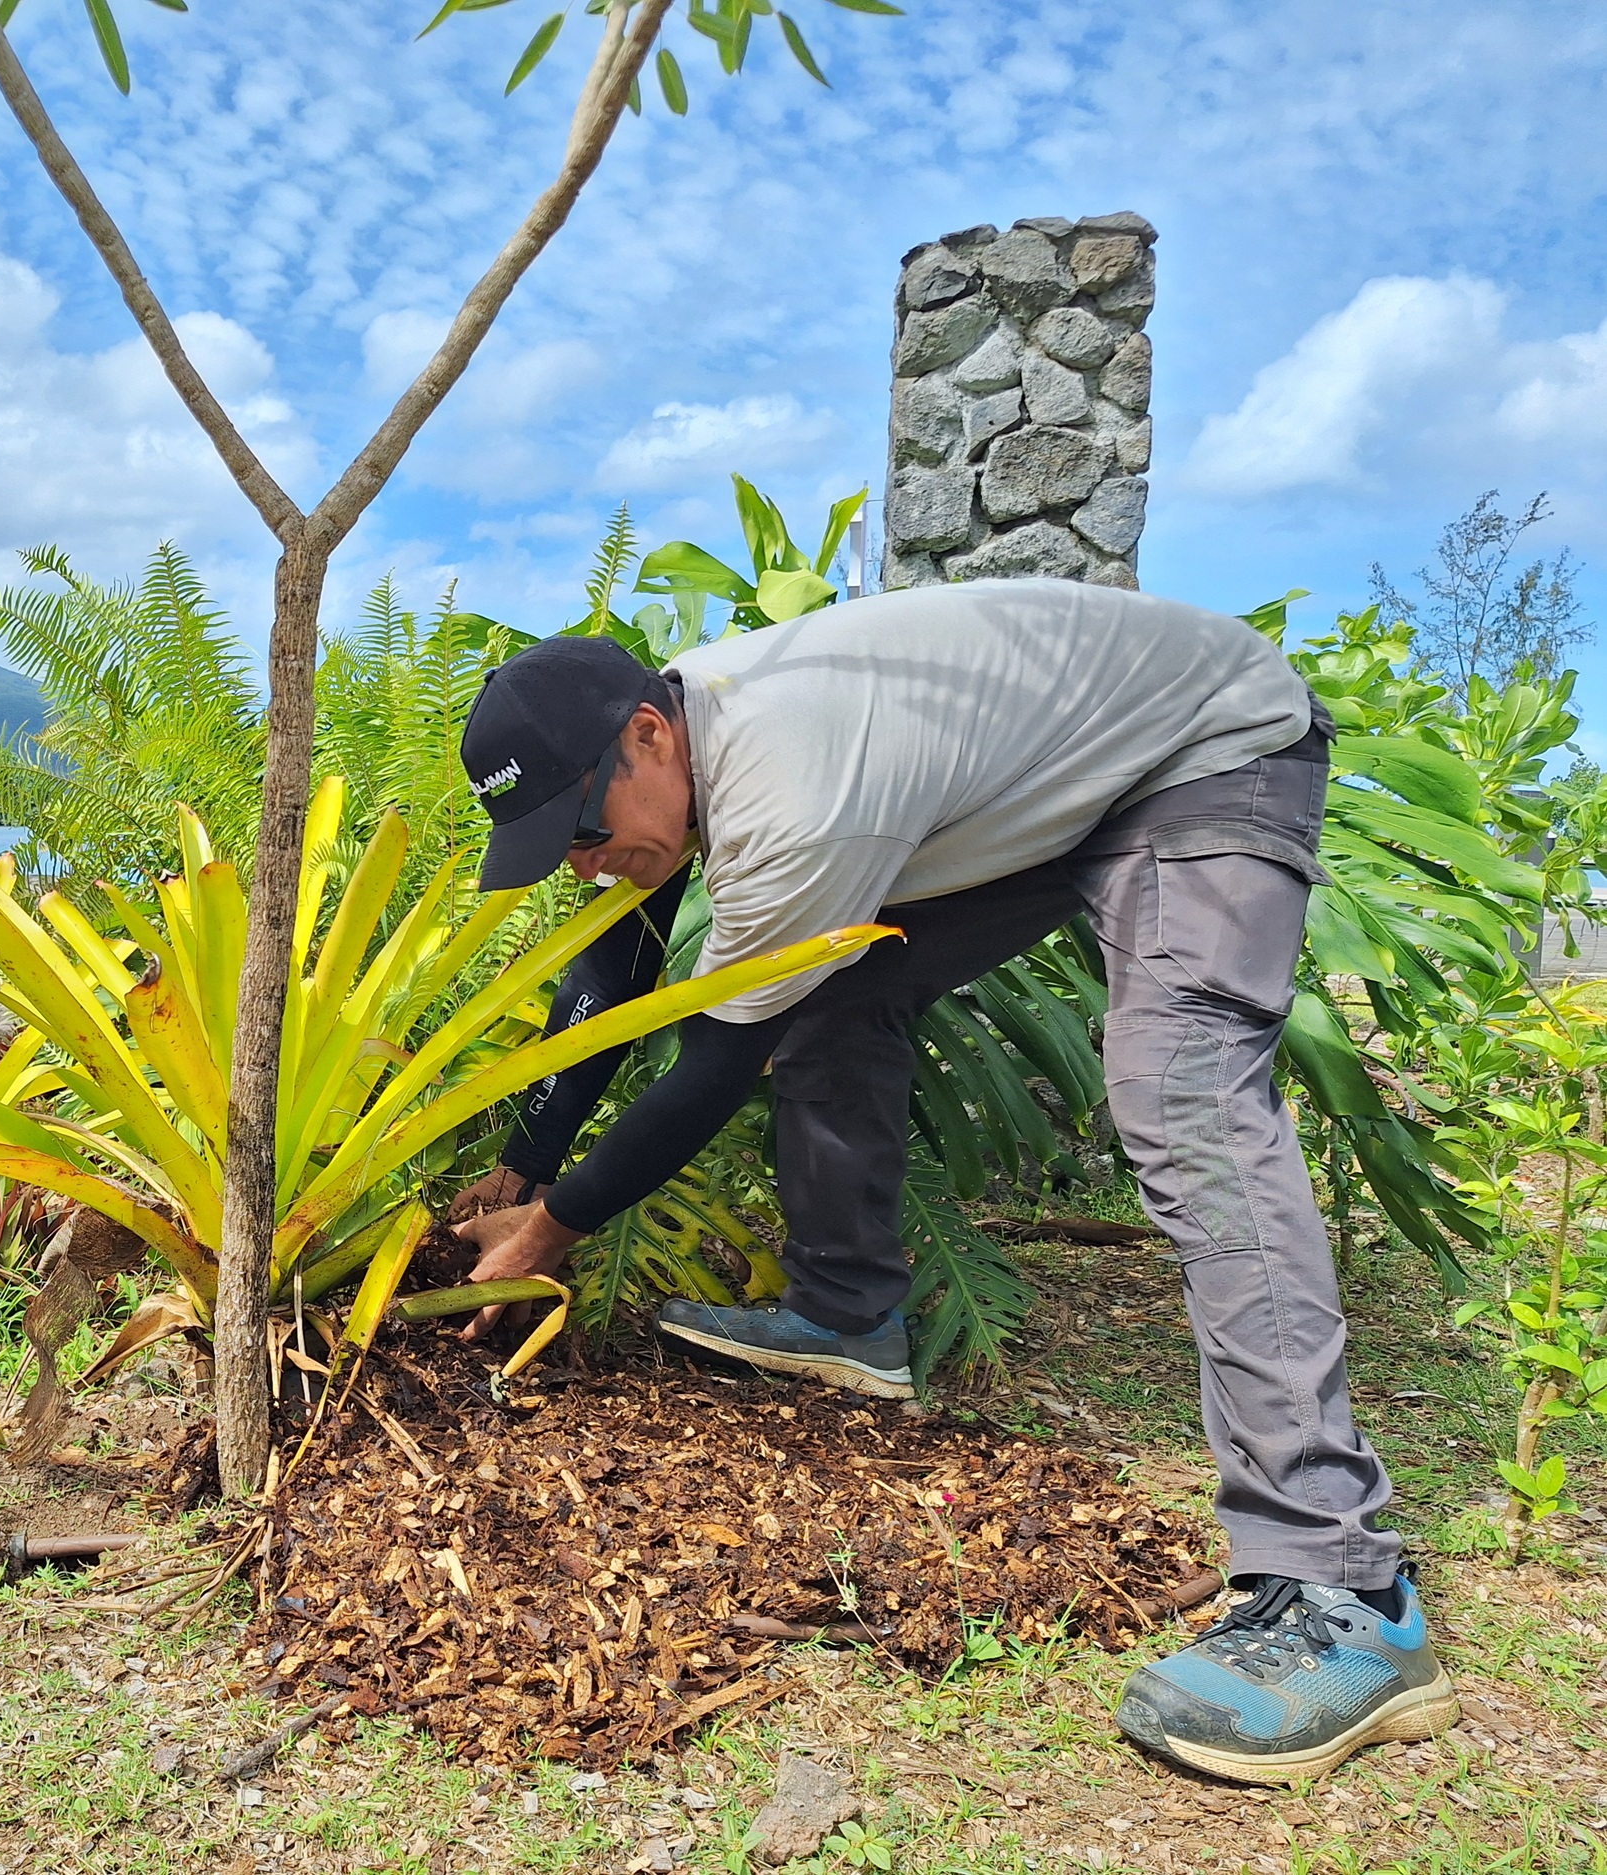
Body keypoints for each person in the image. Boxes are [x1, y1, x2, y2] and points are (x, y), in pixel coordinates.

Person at [447, 578, 1457, 1785]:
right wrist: (525, 1160)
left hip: (1203, 751)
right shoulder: (681, 750)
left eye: (579, 828)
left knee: (1182, 1096)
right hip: (1062, 778)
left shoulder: (792, 788)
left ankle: (1346, 1586)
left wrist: (548, 1230)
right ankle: (846, 1315)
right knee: (838, 987)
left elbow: (709, 1056)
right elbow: (619, 976)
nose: (577, 863)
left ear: (648, 739)